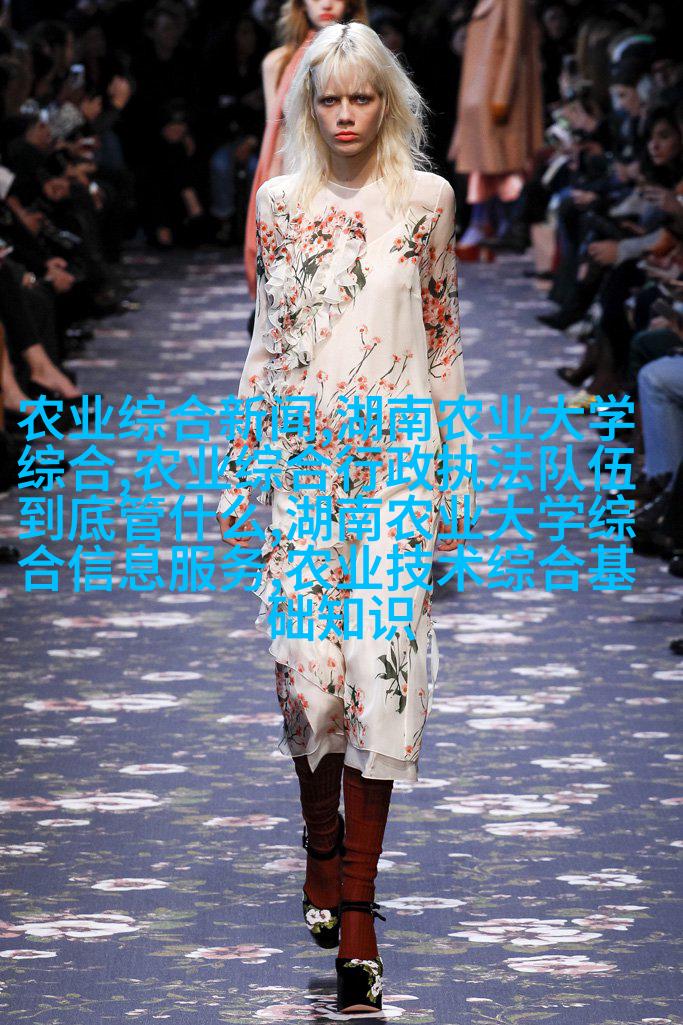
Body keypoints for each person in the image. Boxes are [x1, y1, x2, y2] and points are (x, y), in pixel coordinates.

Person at [217, 21, 476, 1014]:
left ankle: (357, 909)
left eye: (362, 97)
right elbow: (268, 339)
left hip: (397, 470)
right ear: (306, 105)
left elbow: (442, 337)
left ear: (388, 102)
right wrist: (242, 467)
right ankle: (319, 842)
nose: (345, 115)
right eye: (329, 99)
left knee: (380, 671)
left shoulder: (427, 202)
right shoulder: (279, 205)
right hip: (303, 469)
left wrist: (455, 468)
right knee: (309, 678)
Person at [242, 0, 368, 301]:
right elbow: (275, 135)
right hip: (297, 178)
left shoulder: (367, 59)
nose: (326, 3)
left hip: (350, 180)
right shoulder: (277, 63)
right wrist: (270, 195)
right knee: (293, 287)